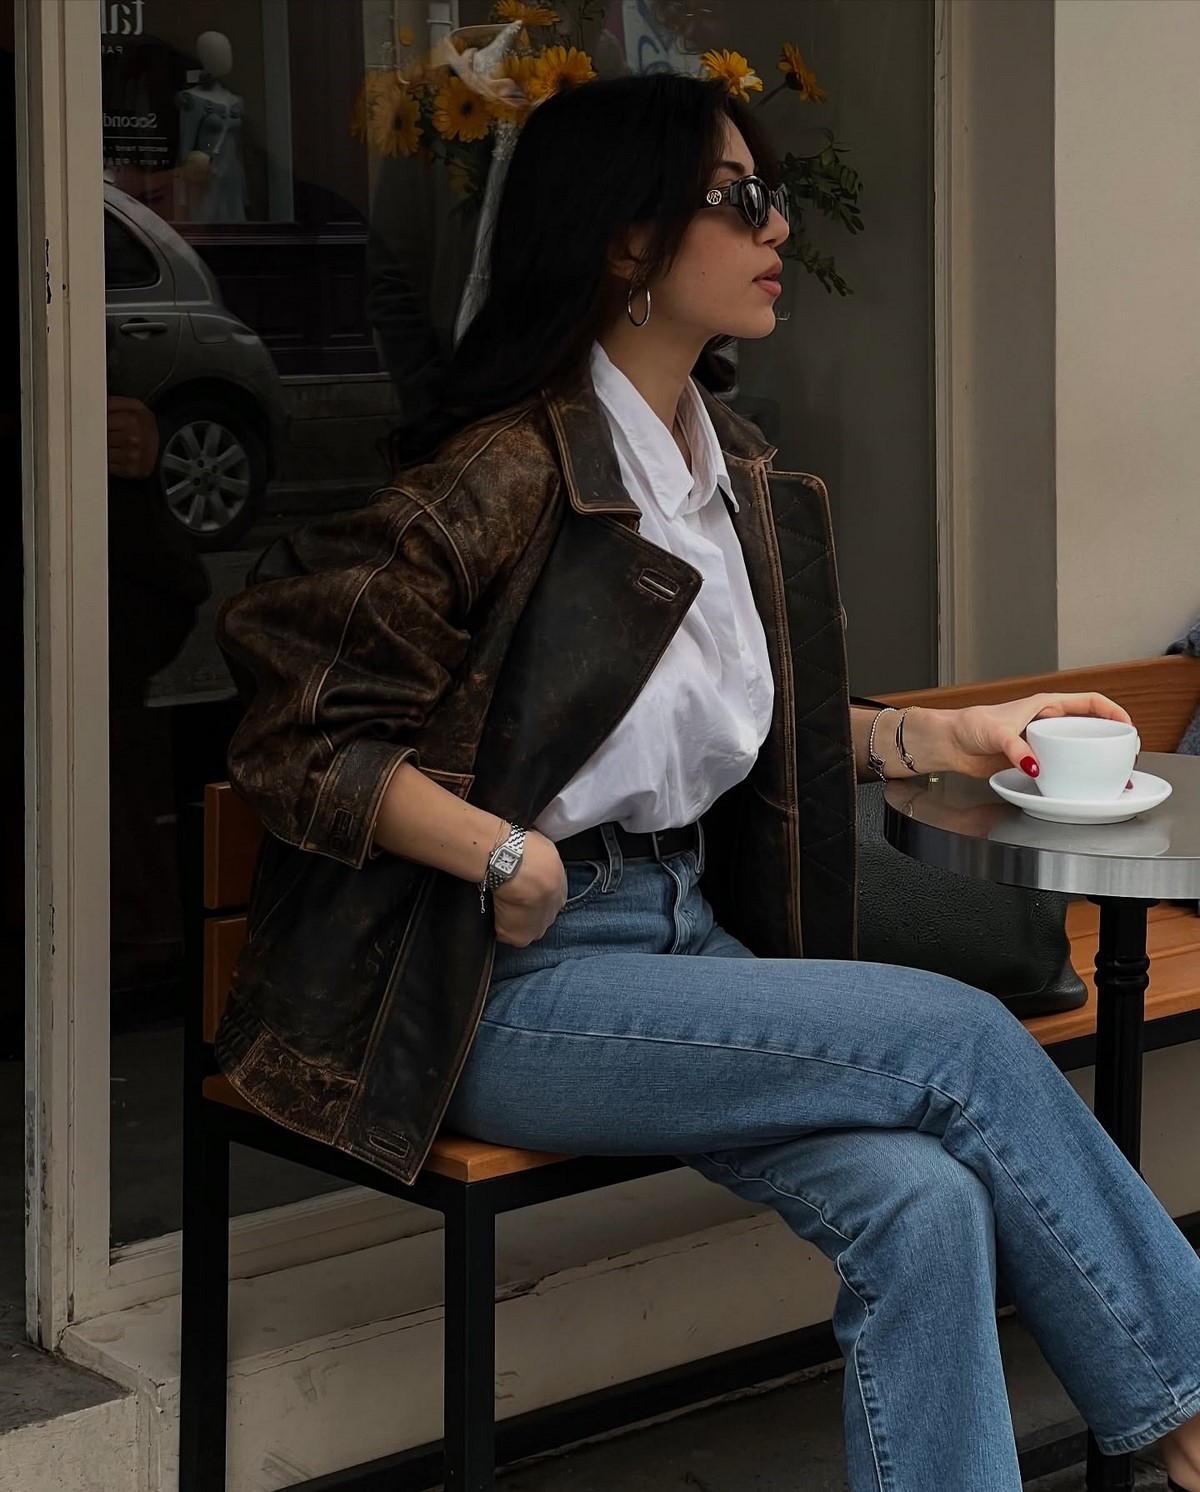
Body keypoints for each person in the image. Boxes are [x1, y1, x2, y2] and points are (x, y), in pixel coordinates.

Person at [214, 73, 1200, 1490]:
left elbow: (747, 728)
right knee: (965, 1041)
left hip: (690, 946)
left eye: (770, 198)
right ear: (626, 238)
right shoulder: (506, 471)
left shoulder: (726, 467)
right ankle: (1189, 1408)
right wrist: (499, 853)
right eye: (738, 202)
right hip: (505, 988)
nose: (776, 227)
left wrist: (954, 736)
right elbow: (293, 723)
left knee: (923, 1202)